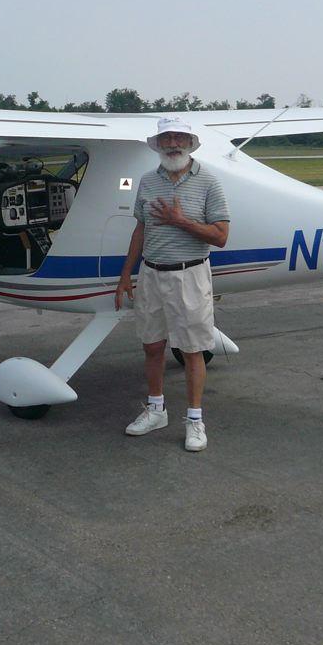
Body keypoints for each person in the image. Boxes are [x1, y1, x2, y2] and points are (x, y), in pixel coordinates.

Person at [114, 117, 230, 452]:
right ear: (159, 144)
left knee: (192, 350)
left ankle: (194, 420)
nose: (173, 143)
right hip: (151, 274)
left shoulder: (209, 182)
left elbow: (221, 236)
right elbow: (141, 228)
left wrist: (181, 221)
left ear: (190, 143)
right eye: (167, 138)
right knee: (152, 346)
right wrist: (126, 274)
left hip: (190, 274)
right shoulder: (148, 181)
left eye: (180, 137)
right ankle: (156, 409)